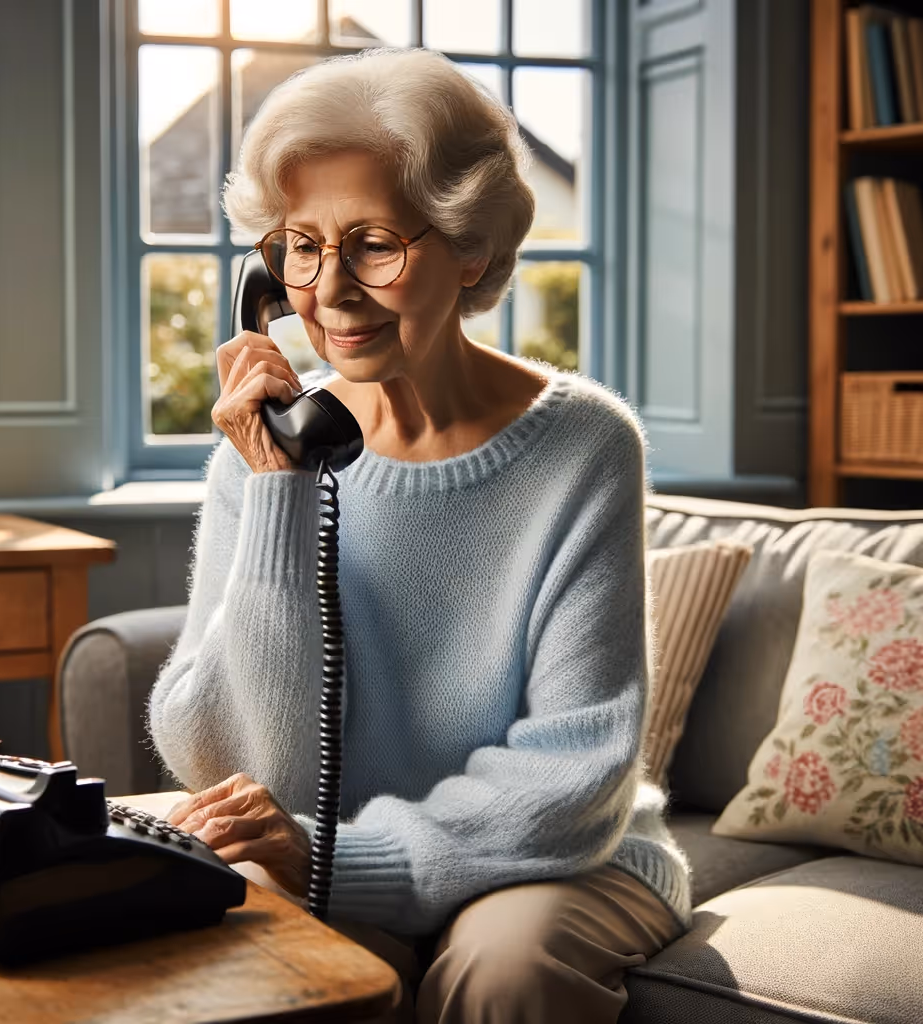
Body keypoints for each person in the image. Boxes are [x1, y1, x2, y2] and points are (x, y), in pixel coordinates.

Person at [148, 47, 691, 1024]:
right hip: (324, 842)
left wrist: (338, 858)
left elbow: (573, 771)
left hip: (560, 854)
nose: (329, 290)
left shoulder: (583, 447)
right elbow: (220, 752)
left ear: (469, 247)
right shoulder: (265, 443)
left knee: (502, 968)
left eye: (373, 243)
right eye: (301, 246)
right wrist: (276, 491)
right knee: (235, 952)